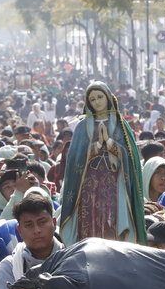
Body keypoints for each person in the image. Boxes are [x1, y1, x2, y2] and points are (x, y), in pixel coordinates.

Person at [59, 81, 146, 246]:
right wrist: (98, 145)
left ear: (108, 97)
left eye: (100, 97)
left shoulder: (121, 125)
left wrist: (110, 143)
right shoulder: (82, 127)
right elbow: (75, 160)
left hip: (115, 184)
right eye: (92, 99)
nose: (97, 102)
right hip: (88, 184)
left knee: (111, 222)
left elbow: (131, 158)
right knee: (89, 220)